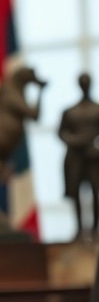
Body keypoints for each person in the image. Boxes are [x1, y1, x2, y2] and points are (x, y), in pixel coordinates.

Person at [59, 72, 99, 238]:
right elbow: (62, 133)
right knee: (75, 193)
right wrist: (76, 141)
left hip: (93, 158)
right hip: (75, 157)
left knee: (96, 191)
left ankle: (95, 229)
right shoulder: (70, 112)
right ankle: (79, 229)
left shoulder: (97, 110)